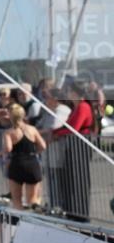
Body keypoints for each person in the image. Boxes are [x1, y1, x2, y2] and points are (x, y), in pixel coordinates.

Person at [52, 82, 94, 221]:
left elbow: (74, 128)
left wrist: (56, 133)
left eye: (70, 92)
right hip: (74, 145)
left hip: (80, 146)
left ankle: (80, 213)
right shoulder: (77, 107)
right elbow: (69, 126)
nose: (68, 94)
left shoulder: (82, 106)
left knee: (79, 178)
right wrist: (57, 131)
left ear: (76, 93)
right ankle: (74, 211)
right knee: (72, 178)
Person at [2, 104, 46, 210]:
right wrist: (34, 152)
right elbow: (43, 146)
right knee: (33, 201)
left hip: (17, 164)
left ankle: (19, 224)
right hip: (32, 163)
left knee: (17, 202)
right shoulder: (32, 129)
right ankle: (33, 224)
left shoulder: (9, 132)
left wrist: (2, 153)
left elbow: (8, 149)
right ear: (23, 115)